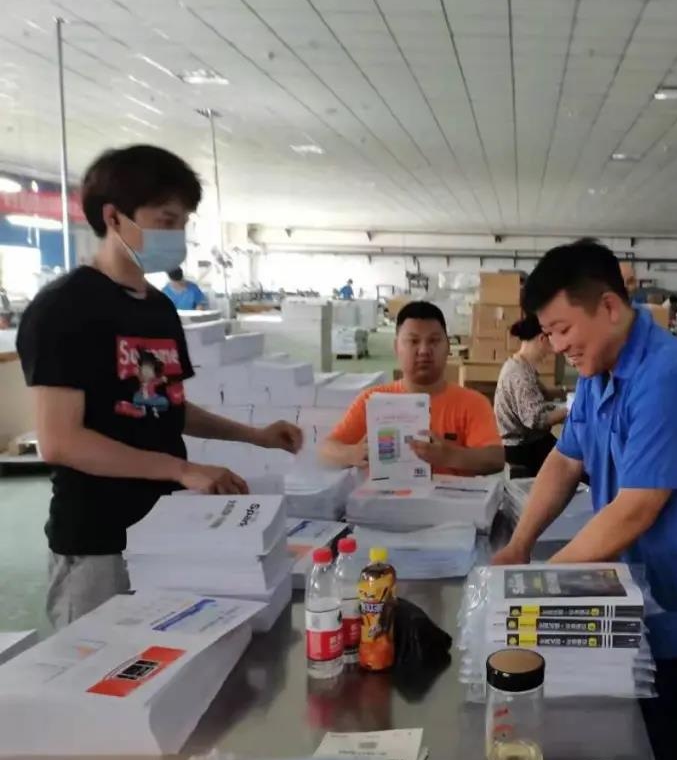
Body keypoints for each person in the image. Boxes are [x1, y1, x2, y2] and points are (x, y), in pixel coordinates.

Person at [491, 238, 677, 760]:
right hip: (637, 595)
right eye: (549, 334)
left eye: (563, 329)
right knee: (645, 753)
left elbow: (637, 507)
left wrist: (540, 586)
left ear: (610, 307)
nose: (557, 346)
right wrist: (520, 545)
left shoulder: (670, 378)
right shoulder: (598, 371)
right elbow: (565, 460)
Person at [16, 145, 303, 628]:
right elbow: (61, 441)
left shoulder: (158, 308)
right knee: (101, 664)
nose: (177, 236)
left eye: (183, 223)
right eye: (166, 221)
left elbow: (166, 406)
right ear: (114, 217)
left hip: (167, 530)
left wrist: (255, 436)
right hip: (100, 542)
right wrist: (181, 468)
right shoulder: (65, 308)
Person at [320, 301, 505, 476]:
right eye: (413, 341)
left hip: (450, 499)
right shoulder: (372, 400)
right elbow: (326, 450)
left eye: (434, 341)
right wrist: (354, 453)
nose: (424, 350)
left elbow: (496, 458)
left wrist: (449, 455)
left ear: (448, 347)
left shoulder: (472, 403)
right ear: (396, 347)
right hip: (384, 497)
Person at [493, 314, 566, 476]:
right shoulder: (520, 375)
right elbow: (535, 420)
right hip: (522, 448)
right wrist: (570, 411)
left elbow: (539, 393)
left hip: (528, 442)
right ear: (542, 339)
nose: (552, 351)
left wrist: (564, 392)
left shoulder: (519, 364)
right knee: (573, 464)